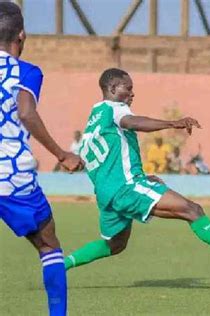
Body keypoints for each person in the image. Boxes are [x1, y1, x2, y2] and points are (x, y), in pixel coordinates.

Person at [64, 68, 210, 276]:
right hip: (126, 188)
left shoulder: (94, 120)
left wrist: (141, 178)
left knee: (115, 244)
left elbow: (103, 163)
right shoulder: (114, 108)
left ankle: (59, 266)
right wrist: (174, 123)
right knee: (192, 210)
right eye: (128, 88)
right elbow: (133, 122)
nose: (132, 94)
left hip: (107, 195)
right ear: (112, 88)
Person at [0, 3, 83, 315]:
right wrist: (62, 154)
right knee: (49, 246)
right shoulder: (26, 71)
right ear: (22, 35)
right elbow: (25, 112)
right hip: (11, 177)